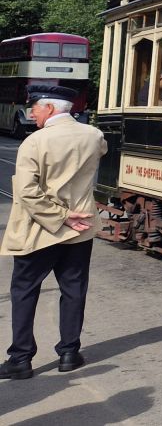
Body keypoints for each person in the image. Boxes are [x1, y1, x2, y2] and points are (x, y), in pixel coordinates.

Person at [2, 86, 108, 379]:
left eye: (34, 107)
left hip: (39, 229)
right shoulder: (94, 136)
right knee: (74, 289)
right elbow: (99, 154)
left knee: (24, 291)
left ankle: (21, 359)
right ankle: (69, 353)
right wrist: (71, 215)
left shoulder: (34, 142)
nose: (31, 113)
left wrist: (61, 216)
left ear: (49, 108)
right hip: (81, 227)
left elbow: (26, 191)